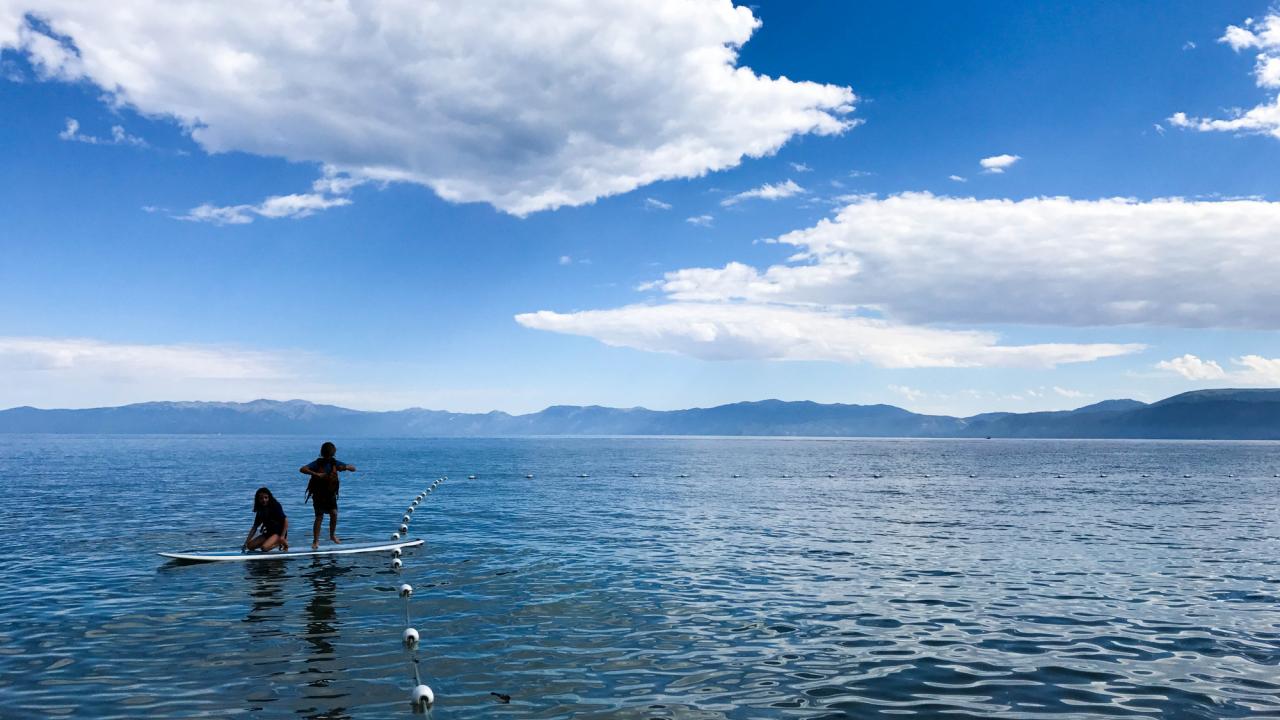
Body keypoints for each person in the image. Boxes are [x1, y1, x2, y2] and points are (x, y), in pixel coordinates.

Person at [301, 441, 356, 550]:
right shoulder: (317, 463)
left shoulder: (335, 463)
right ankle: (316, 541)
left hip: (330, 495)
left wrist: (345, 467)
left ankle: (332, 535)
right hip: (318, 495)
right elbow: (302, 469)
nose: (328, 456)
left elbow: (353, 468)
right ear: (323, 453)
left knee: (334, 514)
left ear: (333, 454)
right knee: (319, 517)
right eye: (327, 454)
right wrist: (316, 474)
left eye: (330, 454)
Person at [243, 487, 289, 552]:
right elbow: (254, 527)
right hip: (268, 532)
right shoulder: (260, 510)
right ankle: (267, 546)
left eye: (266, 497)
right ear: (258, 499)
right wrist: (245, 542)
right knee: (249, 546)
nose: (264, 500)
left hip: (278, 533)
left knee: (264, 548)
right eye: (261, 498)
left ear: (269, 498)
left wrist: (282, 536)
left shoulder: (275, 505)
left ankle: (282, 543)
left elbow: (285, 520)